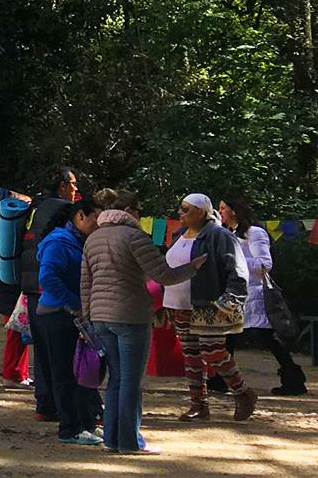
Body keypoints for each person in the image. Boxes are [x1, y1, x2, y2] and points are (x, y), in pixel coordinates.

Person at [81, 188, 205, 454]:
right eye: (138, 211)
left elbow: (86, 283)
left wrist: (88, 316)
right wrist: (194, 266)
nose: (140, 216)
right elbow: (163, 275)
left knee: (115, 380)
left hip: (100, 317)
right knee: (131, 381)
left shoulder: (93, 238)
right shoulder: (135, 236)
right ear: (128, 212)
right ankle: (130, 441)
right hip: (131, 316)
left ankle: (111, 440)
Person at [165, 192, 255, 421]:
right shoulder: (178, 234)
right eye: (180, 208)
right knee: (191, 354)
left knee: (212, 351)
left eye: (186, 209)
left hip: (208, 303)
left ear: (202, 213)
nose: (180, 213)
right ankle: (199, 404)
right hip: (179, 304)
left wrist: (230, 299)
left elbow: (237, 269)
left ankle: (242, 392)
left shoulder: (219, 235)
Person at [218, 195, 306, 397]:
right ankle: (221, 379)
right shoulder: (229, 234)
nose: (220, 211)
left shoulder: (254, 233)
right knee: (228, 336)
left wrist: (234, 262)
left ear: (234, 210)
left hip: (255, 294)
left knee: (267, 337)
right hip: (235, 293)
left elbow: (265, 264)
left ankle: (293, 379)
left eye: (223, 207)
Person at [31, 199, 103, 444]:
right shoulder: (58, 242)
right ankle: (70, 429)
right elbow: (48, 277)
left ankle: (87, 425)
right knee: (64, 374)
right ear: (80, 216)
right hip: (57, 317)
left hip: (76, 317)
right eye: (96, 219)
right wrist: (75, 304)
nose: (99, 224)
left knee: (85, 372)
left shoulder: (81, 242)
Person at [18, 166, 82, 422]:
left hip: (30, 287)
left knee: (42, 349)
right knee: (61, 351)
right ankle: (62, 405)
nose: (76, 190)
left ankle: (44, 403)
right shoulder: (61, 210)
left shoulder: (33, 208)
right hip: (53, 290)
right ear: (62, 186)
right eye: (73, 184)